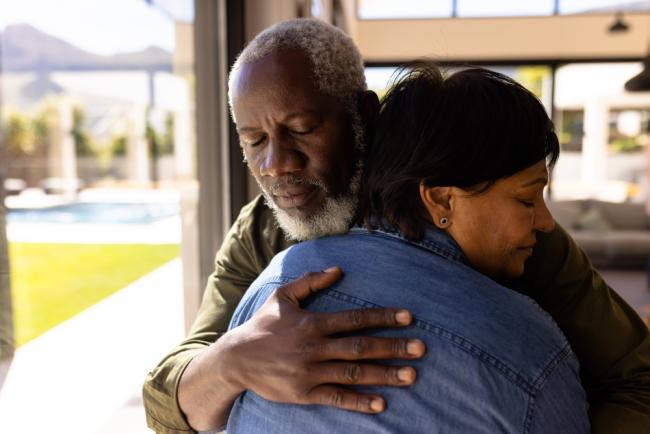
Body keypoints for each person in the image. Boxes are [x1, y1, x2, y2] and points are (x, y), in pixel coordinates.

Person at [143, 18, 650, 434]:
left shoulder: (505, 224)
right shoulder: (261, 233)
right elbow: (165, 403)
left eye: (301, 129)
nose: (276, 164)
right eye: (254, 140)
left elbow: (638, 378)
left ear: (363, 115)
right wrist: (231, 362)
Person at [225, 62, 590, 434]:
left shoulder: (270, 289)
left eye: (302, 130)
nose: (545, 222)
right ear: (442, 201)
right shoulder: (530, 351)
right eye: (527, 199)